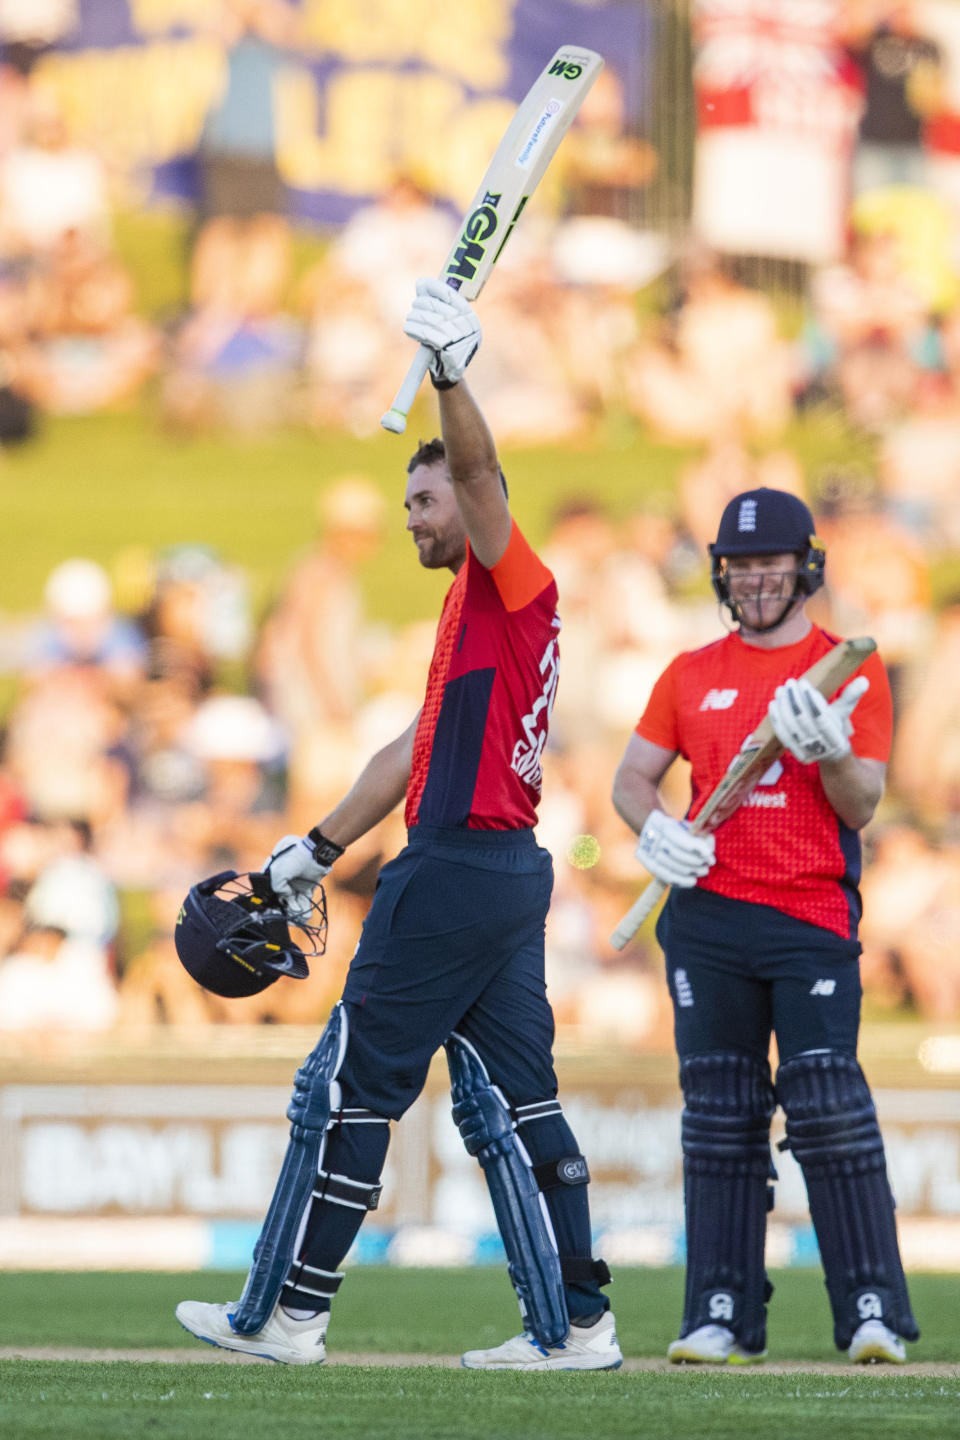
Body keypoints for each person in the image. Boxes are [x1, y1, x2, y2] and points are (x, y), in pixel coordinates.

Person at [175, 278, 620, 1371]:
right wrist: (316, 848)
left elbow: (476, 467)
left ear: (477, 509)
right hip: (502, 869)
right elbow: (407, 753)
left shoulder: (514, 584)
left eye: (424, 503)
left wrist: (453, 369)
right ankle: (581, 1326)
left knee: (343, 1089)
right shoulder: (471, 614)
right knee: (520, 1106)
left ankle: (291, 1316)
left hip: (458, 870)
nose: (415, 520)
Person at [611, 486, 918, 1366]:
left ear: (805, 566)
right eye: (739, 564)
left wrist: (826, 750)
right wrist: (655, 830)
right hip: (707, 922)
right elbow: (631, 781)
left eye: (769, 562)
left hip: (810, 914)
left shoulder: (850, 668)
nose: (753, 579)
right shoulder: (690, 672)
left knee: (827, 1107)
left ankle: (872, 1310)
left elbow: (862, 805)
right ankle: (719, 1312)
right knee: (720, 1114)